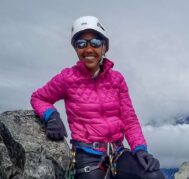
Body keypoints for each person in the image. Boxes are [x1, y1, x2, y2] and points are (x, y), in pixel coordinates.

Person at [31, 16, 165, 179]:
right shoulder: (67, 78)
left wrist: (140, 149)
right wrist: (51, 116)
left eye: (95, 43)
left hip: (117, 152)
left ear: (104, 47)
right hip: (86, 154)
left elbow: (129, 118)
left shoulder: (116, 79)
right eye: (81, 43)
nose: (88, 49)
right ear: (75, 48)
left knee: (153, 175)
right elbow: (39, 98)